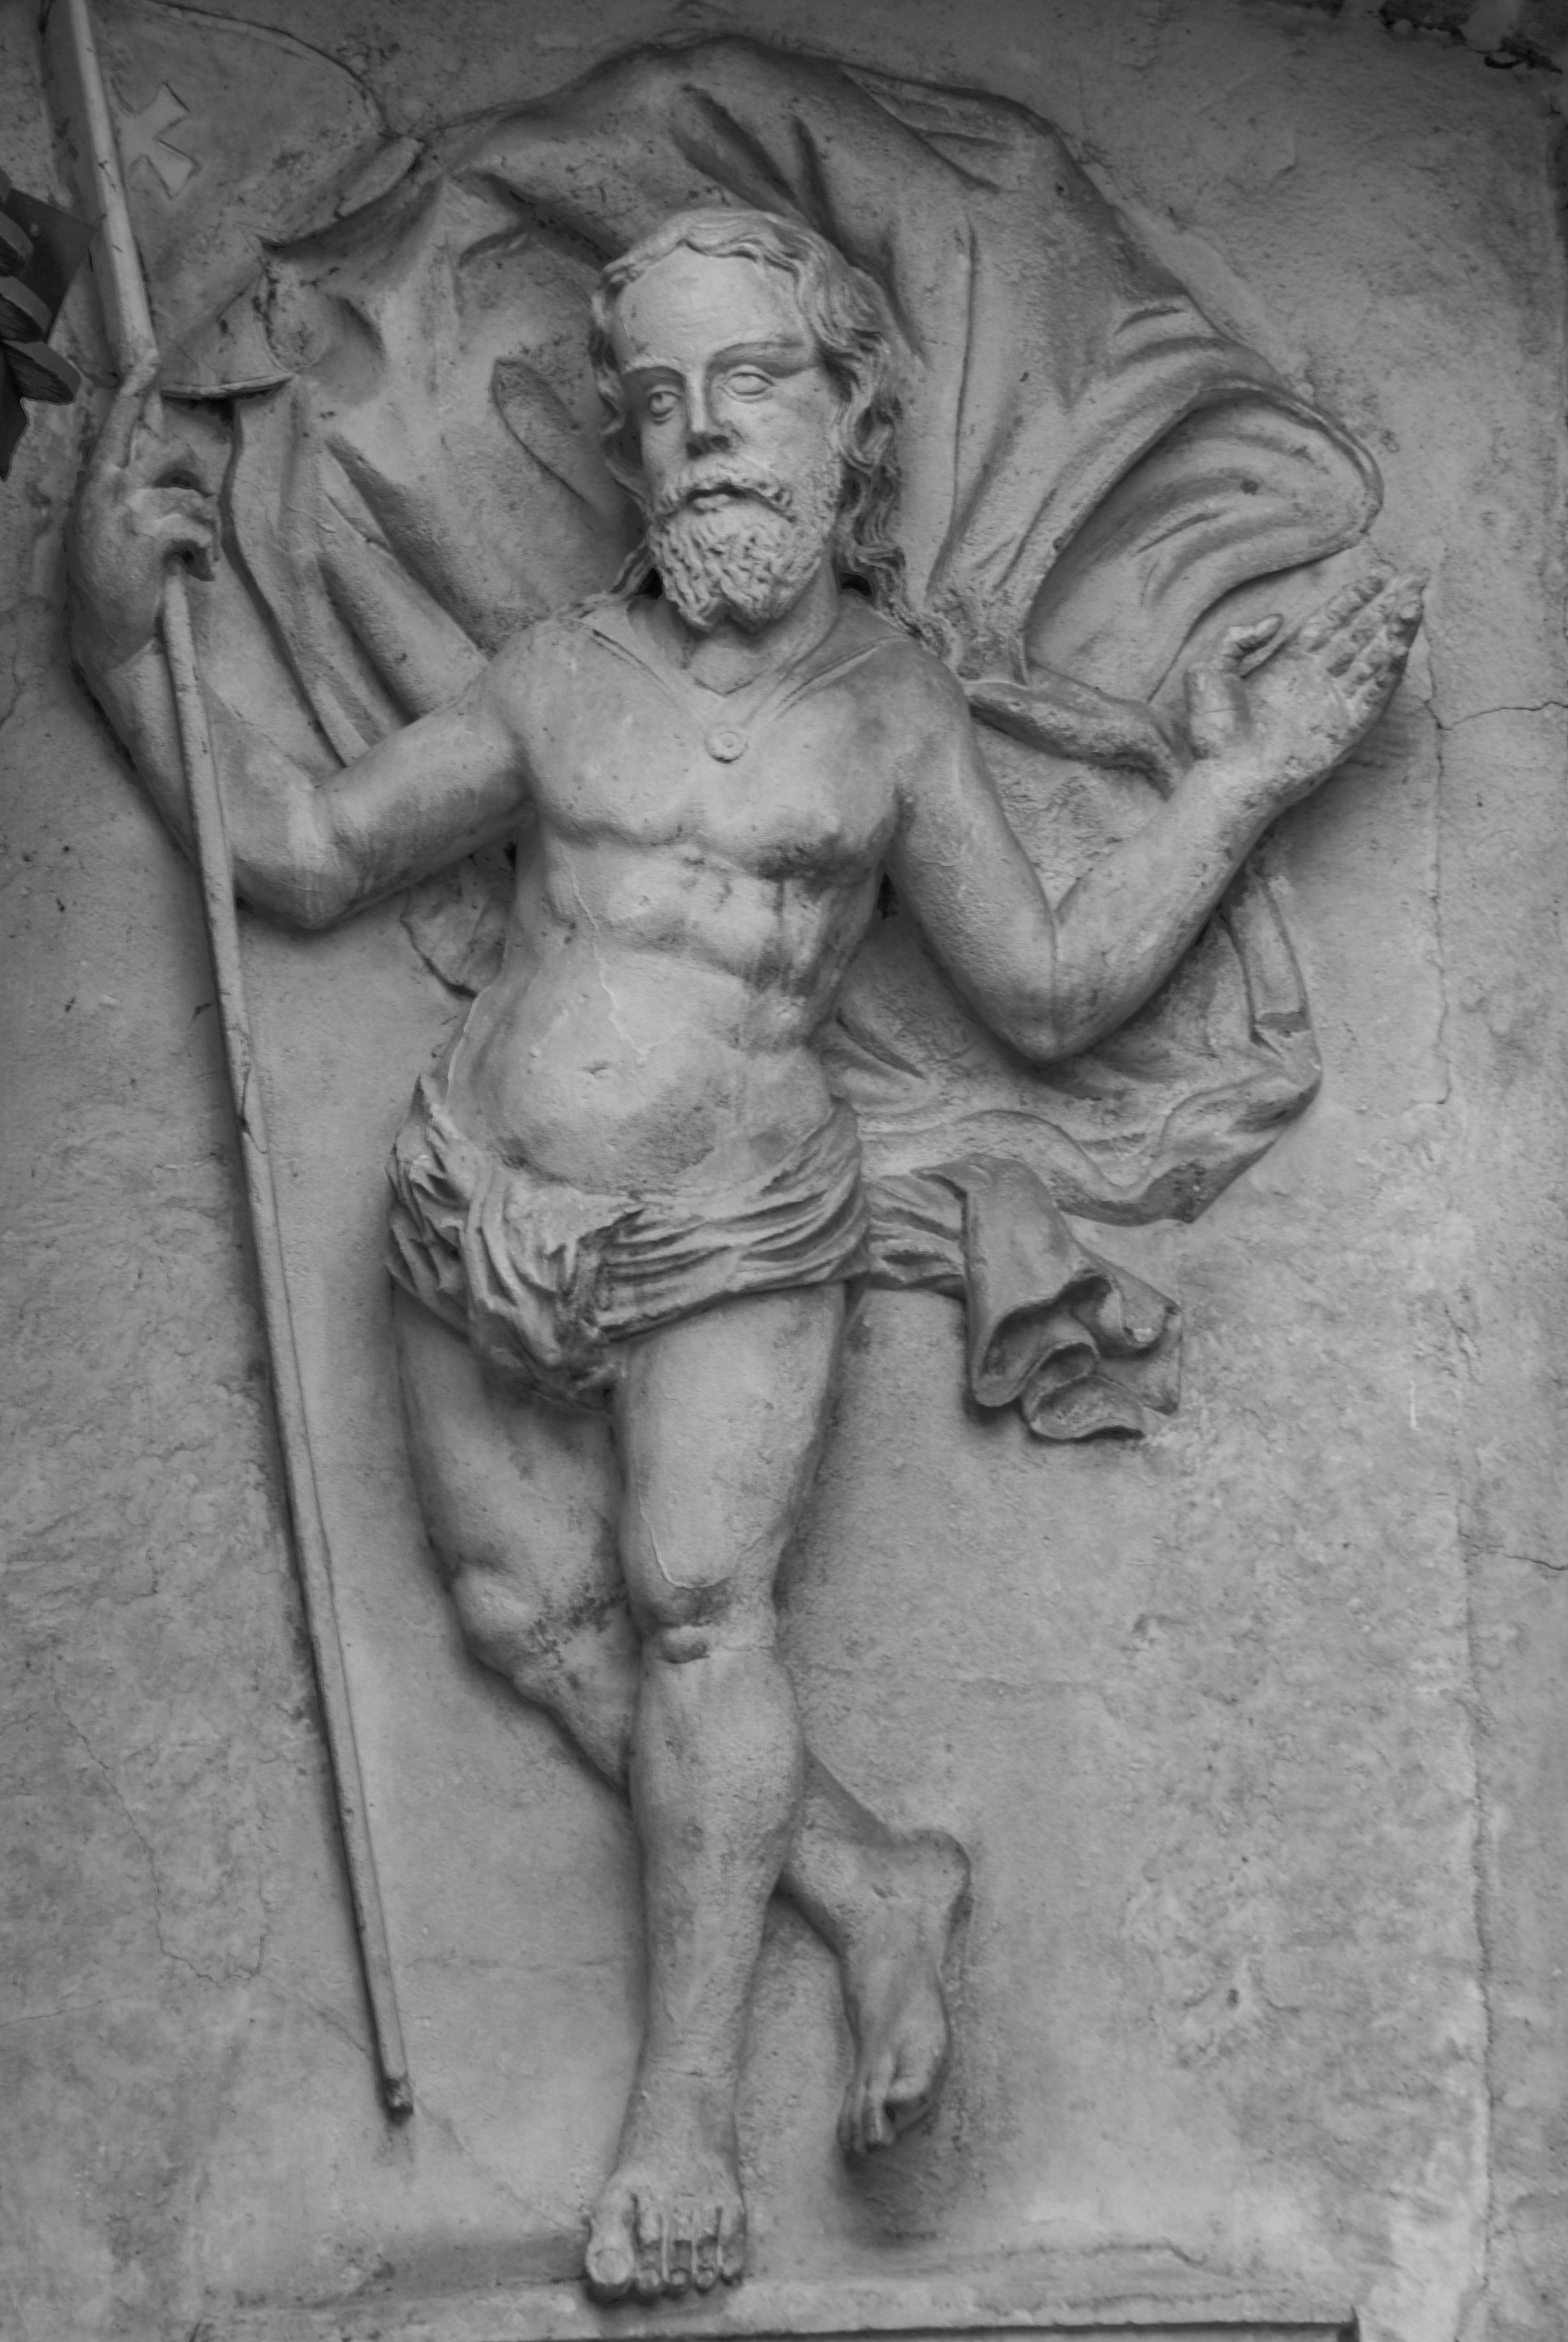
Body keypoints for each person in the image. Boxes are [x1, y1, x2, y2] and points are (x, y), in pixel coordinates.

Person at [67, 205, 1422, 2304]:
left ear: (845, 416)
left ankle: (682, 2118)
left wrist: (1240, 781)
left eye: (754, 382)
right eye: (662, 398)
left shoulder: (890, 713)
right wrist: (107, 645)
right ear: (625, 441)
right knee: (529, 1617)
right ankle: (872, 1882)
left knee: (703, 1617)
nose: (706, 433)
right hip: (463, 1206)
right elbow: (312, 852)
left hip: (733, 1234)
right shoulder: (560, 678)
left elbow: (1047, 988)